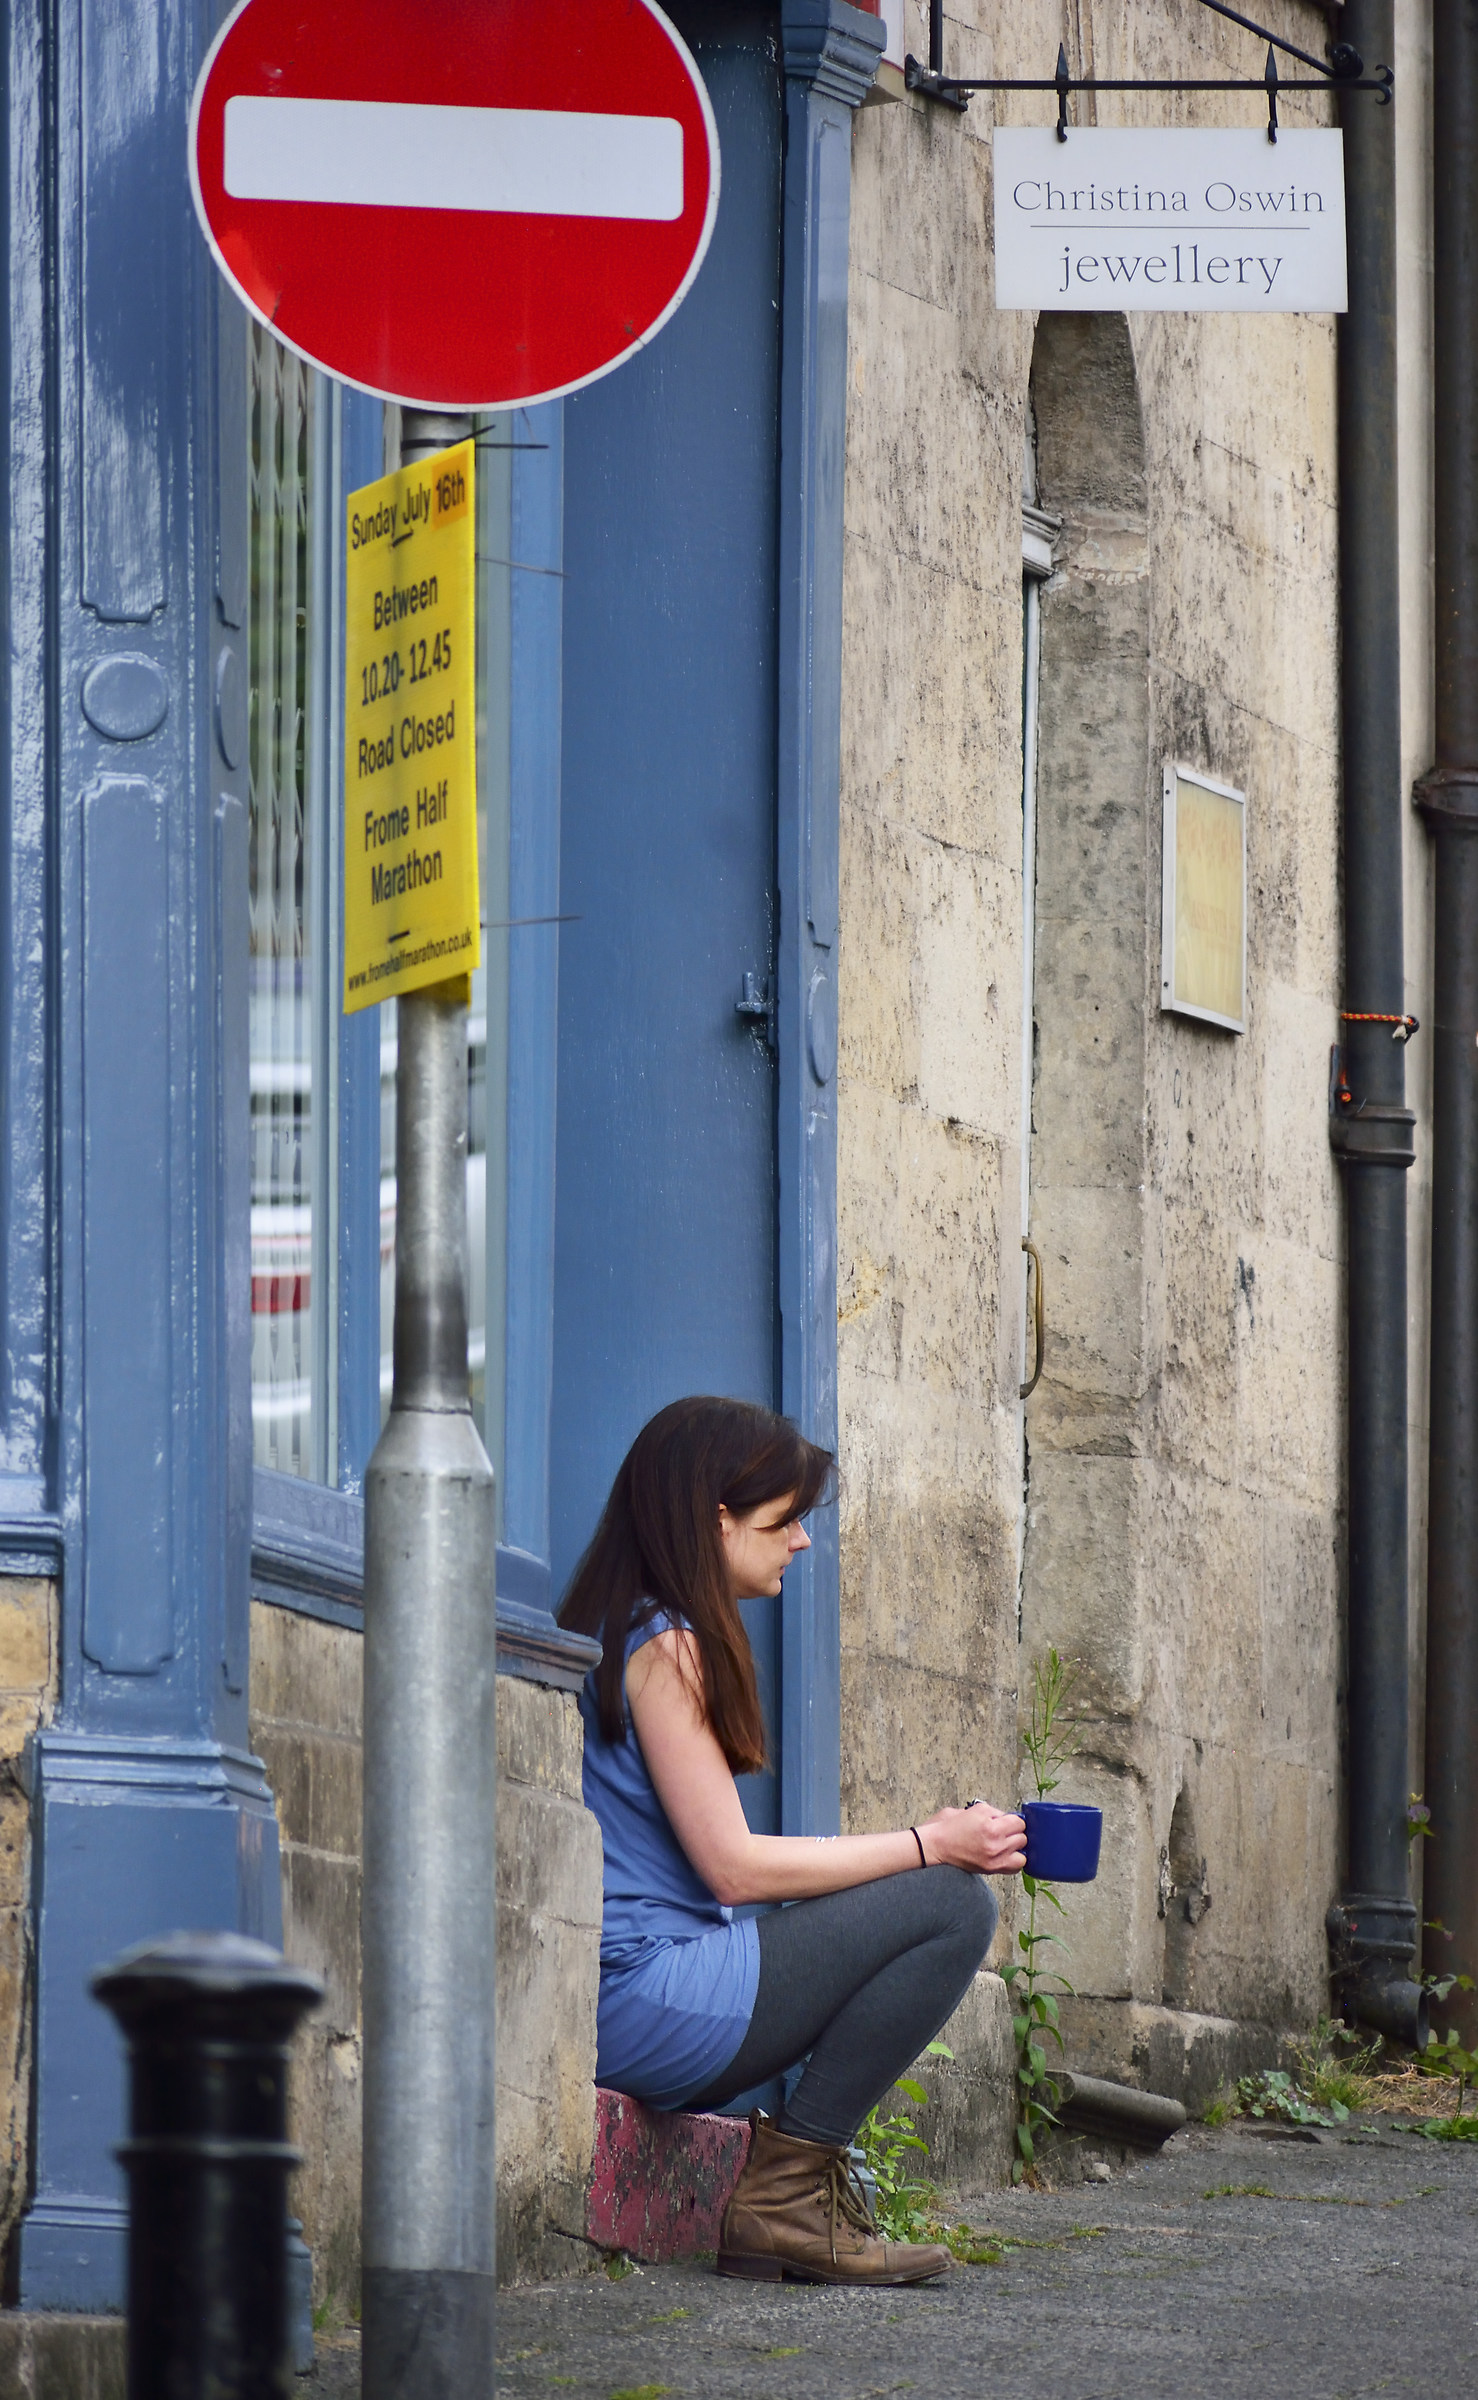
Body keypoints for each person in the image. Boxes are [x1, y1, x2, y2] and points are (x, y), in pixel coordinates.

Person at [558, 1395, 1028, 2286]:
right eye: (785, 1521)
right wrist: (930, 1844)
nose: (802, 1542)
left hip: (652, 1989)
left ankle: (794, 2194)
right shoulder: (670, 1650)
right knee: (950, 1904)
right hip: (645, 1999)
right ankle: (785, 2199)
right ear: (716, 1520)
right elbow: (732, 1868)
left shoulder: (637, 1630)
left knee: (924, 1888)